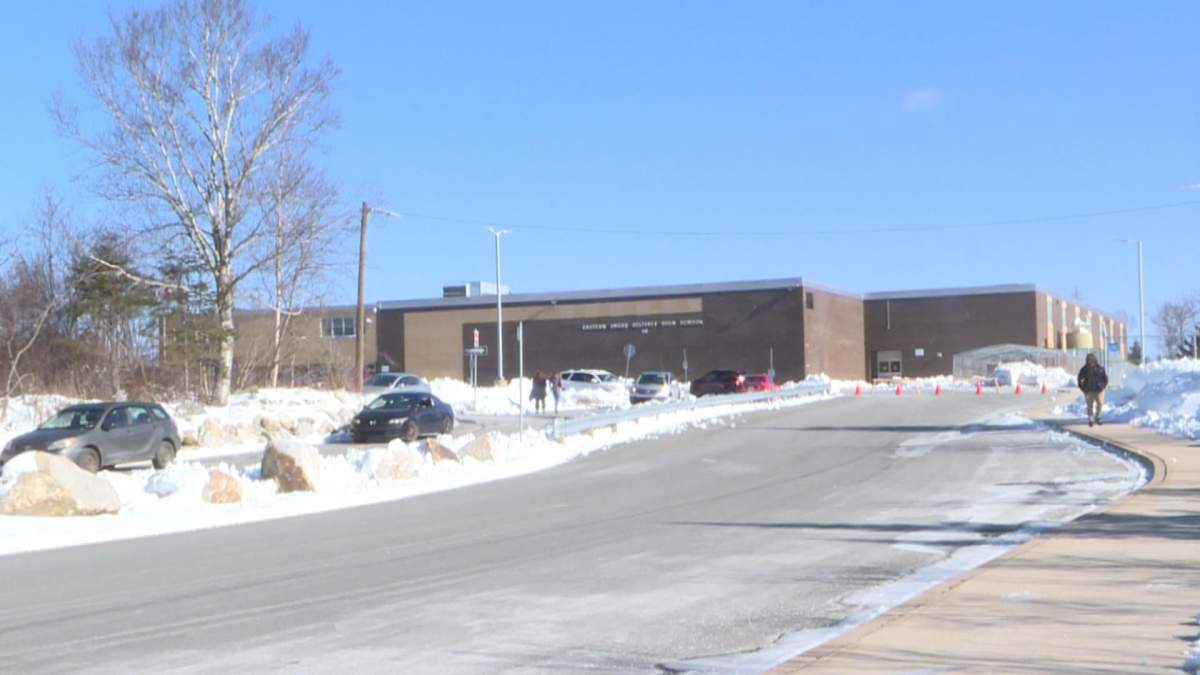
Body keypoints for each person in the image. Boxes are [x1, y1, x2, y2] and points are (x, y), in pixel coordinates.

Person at [1077, 353, 1109, 427]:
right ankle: (1091, 418)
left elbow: (1105, 378)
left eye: (1091, 360)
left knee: (1100, 403)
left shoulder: (1100, 368)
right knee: (1089, 405)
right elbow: (1079, 379)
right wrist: (1082, 387)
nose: (1089, 362)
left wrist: (1103, 386)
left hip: (1099, 390)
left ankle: (1097, 416)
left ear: (1094, 360)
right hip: (1088, 391)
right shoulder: (1084, 369)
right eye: (1088, 360)